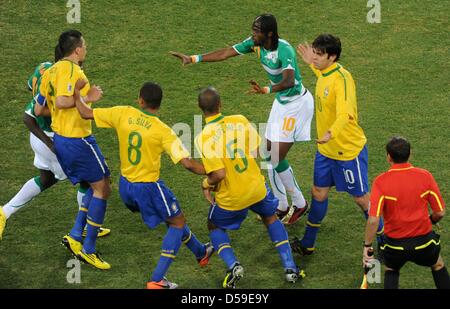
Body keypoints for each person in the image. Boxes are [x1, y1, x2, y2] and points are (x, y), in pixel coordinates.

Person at [171, 13, 314, 225]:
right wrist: (194, 58)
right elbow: (227, 52)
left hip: (297, 105)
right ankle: (282, 206)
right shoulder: (255, 45)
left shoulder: (284, 49)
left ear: (269, 33)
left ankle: (299, 203)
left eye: (256, 31)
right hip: (282, 103)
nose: (252, 34)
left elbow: (289, 81)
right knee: (269, 155)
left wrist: (266, 89)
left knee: (273, 157)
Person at [74, 81, 214, 289]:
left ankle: (201, 252)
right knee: (177, 222)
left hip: (125, 187)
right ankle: (157, 280)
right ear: (159, 104)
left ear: (140, 100)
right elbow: (187, 163)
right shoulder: (163, 131)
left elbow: (85, 113)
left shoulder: (123, 113)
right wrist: (212, 170)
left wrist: (78, 93)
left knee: (172, 216)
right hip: (148, 188)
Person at [196, 87, 304, 289]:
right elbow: (257, 152)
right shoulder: (239, 120)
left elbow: (218, 174)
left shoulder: (203, 137)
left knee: (214, 226)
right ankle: (290, 268)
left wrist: (205, 185)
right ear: (220, 105)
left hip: (232, 197)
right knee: (270, 218)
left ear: (200, 109)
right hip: (256, 188)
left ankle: (233, 266)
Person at [0, 49, 109, 240]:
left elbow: (30, 89)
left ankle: (4, 212)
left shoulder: (44, 69)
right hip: (52, 138)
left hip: (40, 139)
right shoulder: (59, 87)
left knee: (46, 178)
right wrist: (51, 144)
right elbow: (28, 117)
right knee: (89, 181)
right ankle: (84, 227)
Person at [291, 34, 384, 256]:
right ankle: (308, 243)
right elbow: (320, 73)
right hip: (326, 151)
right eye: (313, 51)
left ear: (332, 57)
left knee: (362, 199)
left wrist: (331, 132)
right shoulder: (324, 71)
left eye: (319, 54)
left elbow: (346, 114)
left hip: (348, 151)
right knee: (318, 192)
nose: (314, 57)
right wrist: (310, 63)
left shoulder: (343, 80)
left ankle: (387, 242)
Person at [35, 30, 111, 270]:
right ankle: (88, 249)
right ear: (77, 49)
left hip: (61, 139)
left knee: (93, 184)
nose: (86, 49)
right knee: (104, 187)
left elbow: (39, 109)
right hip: (77, 139)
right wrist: (89, 97)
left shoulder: (51, 71)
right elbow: (62, 101)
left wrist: (64, 108)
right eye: (84, 46)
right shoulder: (72, 71)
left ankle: (76, 234)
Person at [363, 136, 449, 289]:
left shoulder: (380, 182)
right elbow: (440, 212)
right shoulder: (425, 176)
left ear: (388, 157)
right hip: (425, 243)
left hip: (395, 246)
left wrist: (367, 247)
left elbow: (373, 220)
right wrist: (431, 221)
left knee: (391, 269)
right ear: (410, 154)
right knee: (437, 264)